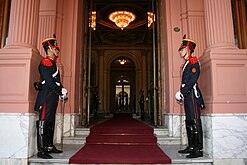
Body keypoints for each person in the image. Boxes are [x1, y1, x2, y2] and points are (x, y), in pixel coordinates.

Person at [34, 35, 68, 159]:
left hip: (52, 95)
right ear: (49, 48)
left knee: (50, 121)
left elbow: (56, 81)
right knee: (43, 121)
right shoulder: (46, 62)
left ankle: (49, 146)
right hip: (46, 96)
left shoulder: (53, 63)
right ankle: (41, 150)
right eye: (56, 48)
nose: (57, 51)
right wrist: (59, 90)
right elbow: (49, 81)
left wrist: (62, 90)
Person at [175, 35, 205, 158]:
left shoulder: (194, 62)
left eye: (182, 49)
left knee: (194, 120)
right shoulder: (186, 64)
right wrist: (182, 93)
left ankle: (198, 149)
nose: (180, 51)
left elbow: (192, 80)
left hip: (192, 94)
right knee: (189, 121)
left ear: (188, 49)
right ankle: (191, 146)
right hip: (187, 95)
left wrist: (183, 91)